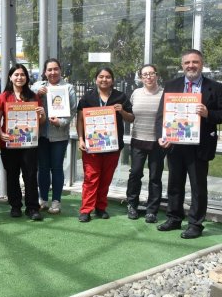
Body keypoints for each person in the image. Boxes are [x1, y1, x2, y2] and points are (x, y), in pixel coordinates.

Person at [156, 49, 222, 239]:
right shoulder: (172, 85)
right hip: (175, 144)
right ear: (182, 65)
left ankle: (195, 224)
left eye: (195, 62)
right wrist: (161, 136)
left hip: (200, 145)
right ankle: (174, 218)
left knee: (198, 187)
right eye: (187, 62)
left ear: (201, 64)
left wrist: (208, 113)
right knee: (174, 183)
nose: (191, 66)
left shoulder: (215, 87)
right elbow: (161, 114)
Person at [76, 67, 134, 222]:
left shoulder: (120, 97)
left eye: (108, 77)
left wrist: (122, 111)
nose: (104, 79)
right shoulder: (87, 97)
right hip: (92, 146)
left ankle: (100, 207)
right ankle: (86, 210)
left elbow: (131, 118)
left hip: (112, 146)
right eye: (101, 77)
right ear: (96, 79)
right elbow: (80, 120)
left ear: (112, 80)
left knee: (106, 178)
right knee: (91, 178)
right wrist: (81, 139)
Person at [0, 64, 46, 220]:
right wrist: (1, 133)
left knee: (30, 175)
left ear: (26, 77)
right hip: (9, 143)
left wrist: (42, 114)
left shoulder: (33, 97)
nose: (19, 77)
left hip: (29, 144)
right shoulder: (4, 96)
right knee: (12, 175)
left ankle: (32, 208)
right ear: (10, 77)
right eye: (16, 74)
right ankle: (15, 206)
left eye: (22, 75)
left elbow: (41, 122)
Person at [31, 58, 77, 214]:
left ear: (60, 70)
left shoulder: (68, 88)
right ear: (45, 72)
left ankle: (56, 201)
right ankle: (43, 199)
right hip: (41, 135)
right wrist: (37, 94)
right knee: (42, 168)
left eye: (55, 69)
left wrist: (61, 122)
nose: (53, 72)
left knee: (57, 168)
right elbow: (26, 99)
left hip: (59, 135)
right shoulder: (38, 86)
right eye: (49, 69)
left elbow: (72, 110)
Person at [125, 64, 165, 223]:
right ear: (141, 78)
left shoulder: (164, 94)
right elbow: (130, 115)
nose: (148, 77)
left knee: (155, 176)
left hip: (157, 142)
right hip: (138, 139)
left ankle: (152, 210)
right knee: (135, 173)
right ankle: (132, 205)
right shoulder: (136, 93)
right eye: (145, 74)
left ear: (157, 75)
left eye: (151, 73)